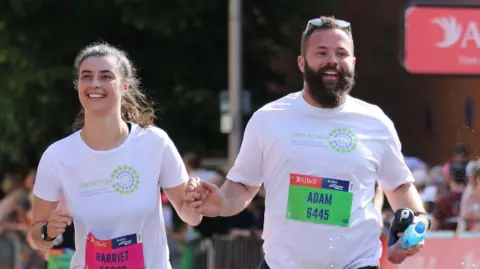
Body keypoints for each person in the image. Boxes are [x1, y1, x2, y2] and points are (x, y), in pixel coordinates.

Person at [186, 16, 430, 269]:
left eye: (341, 53)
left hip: (356, 264)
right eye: (321, 52)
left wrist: (419, 220)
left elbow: (400, 187)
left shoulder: (375, 122)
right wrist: (222, 202)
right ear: (302, 63)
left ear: (353, 63)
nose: (332, 61)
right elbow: (244, 185)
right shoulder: (268, 119)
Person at [28, 43, 203, 269]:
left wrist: (194, 201)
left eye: (105, 76)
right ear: (78, 85)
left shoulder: (155, 142)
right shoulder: (57, 156)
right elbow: (36, 237)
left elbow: (191, 217)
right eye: (87, 76)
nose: (95, 84)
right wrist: (49, 231)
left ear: (124, 86)